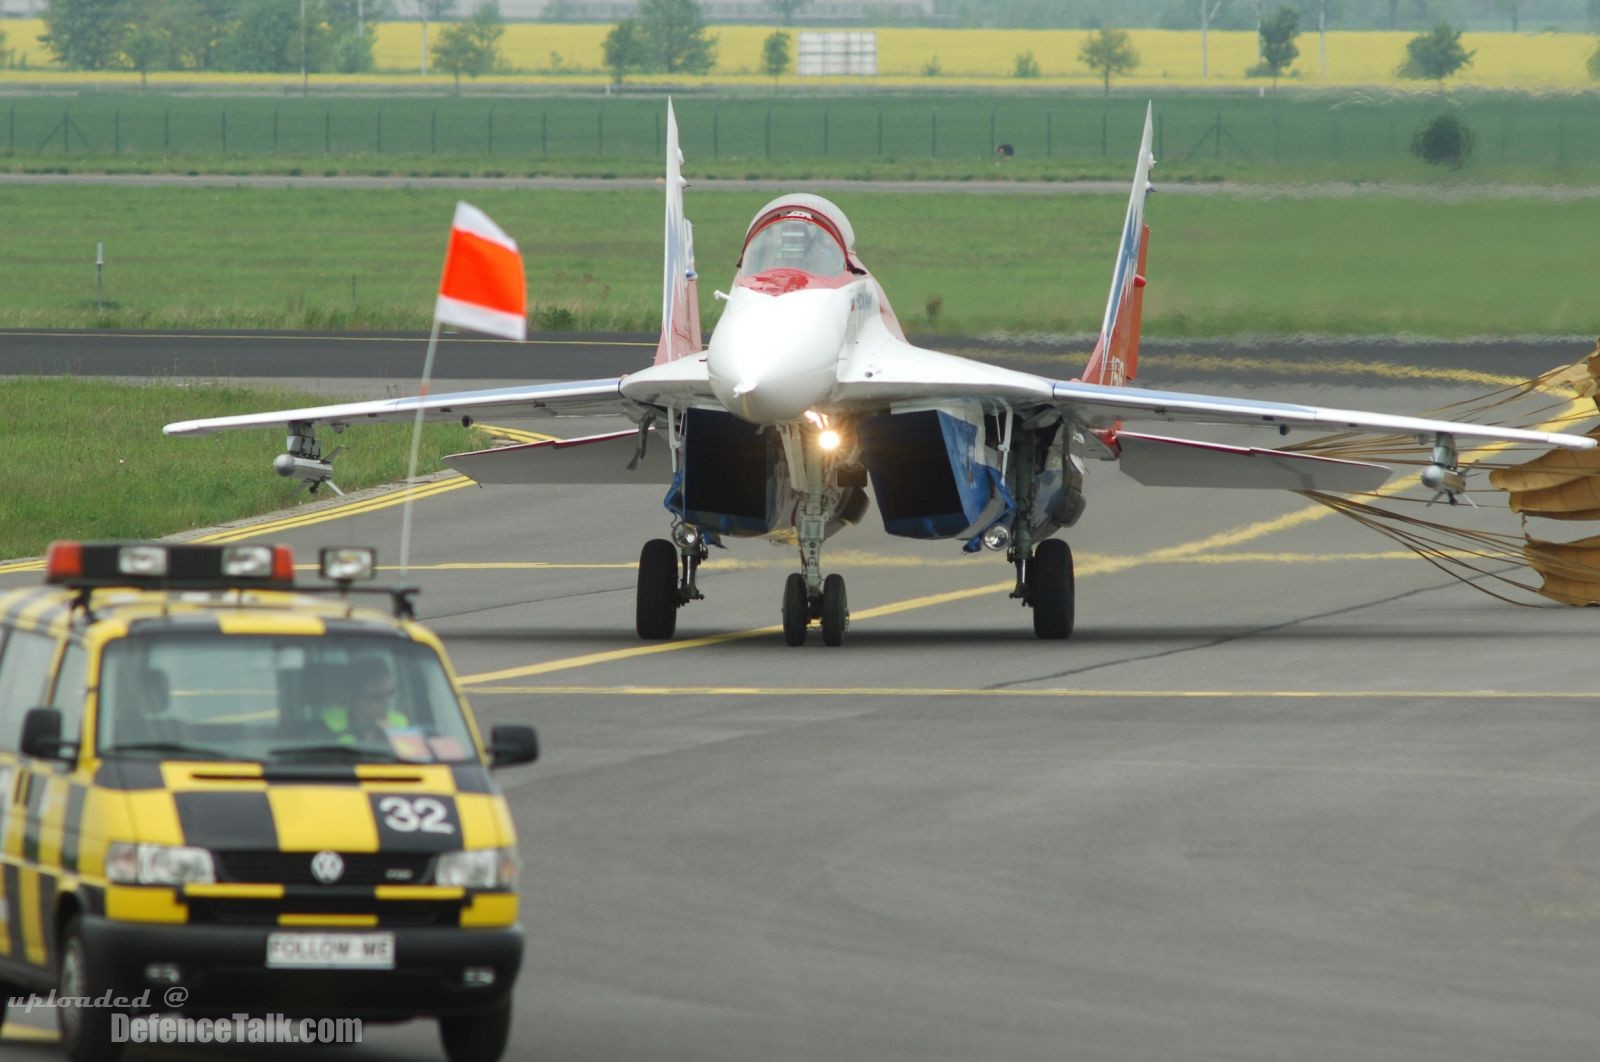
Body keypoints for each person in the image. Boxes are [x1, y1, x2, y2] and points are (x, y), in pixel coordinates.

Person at [320, 658, 409, 745]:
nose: (386, 702)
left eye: (390, 694)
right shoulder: (329, 725)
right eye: (377, 697)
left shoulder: (400, 723)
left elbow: (414, 756)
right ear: (355, 698)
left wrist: (393, 737)